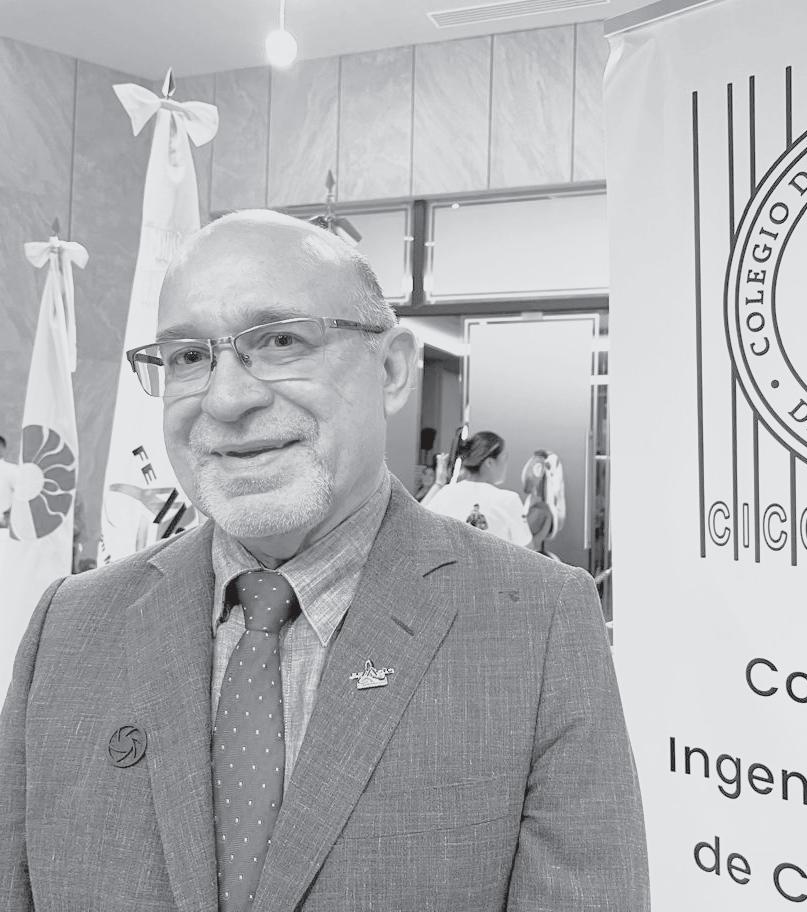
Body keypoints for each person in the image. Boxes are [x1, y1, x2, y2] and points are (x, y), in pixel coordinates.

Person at [0, 210, 649, 912]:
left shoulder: (537, 624)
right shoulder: (69, 628)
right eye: (187, 356)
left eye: (280, 340)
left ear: (392, 369)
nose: (226, 398)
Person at [425, 431, 533, 546]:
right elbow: (528, 549)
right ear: (489, 462)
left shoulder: (445, 493)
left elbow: (422, 528)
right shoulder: (508, 500)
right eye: (504, 458)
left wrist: (438, 484)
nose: (506, 464)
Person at [0, 434, 16, 528]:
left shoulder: (13, 470)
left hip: (4, 526)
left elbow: (20, 496)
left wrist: (8, 517)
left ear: (3, 448)